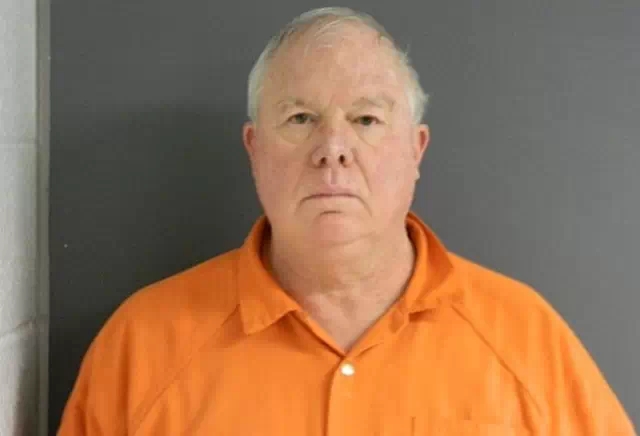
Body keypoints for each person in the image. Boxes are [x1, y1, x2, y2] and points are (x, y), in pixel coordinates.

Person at [57, 7, 635, 435]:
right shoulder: (141, 348)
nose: (332, 149)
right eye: (301, 118)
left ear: (416, 150)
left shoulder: (528, 340)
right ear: (254, 150)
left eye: (365, 120)